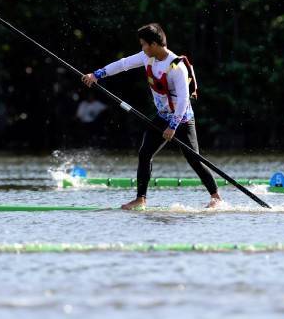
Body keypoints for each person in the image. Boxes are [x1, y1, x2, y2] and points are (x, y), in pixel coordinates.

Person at [81, 23, 222, 210]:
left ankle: (216, 197)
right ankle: (141, 199)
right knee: (144, 154)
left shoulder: (177, 68)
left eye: (144, 44)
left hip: (182, 119)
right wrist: (97, 74)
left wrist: (173, 126)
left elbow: (183, 101)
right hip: (163, 115)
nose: (142, 48)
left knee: (194, 160)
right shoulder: (147, 57)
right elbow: (123, 64)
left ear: (154, 44)